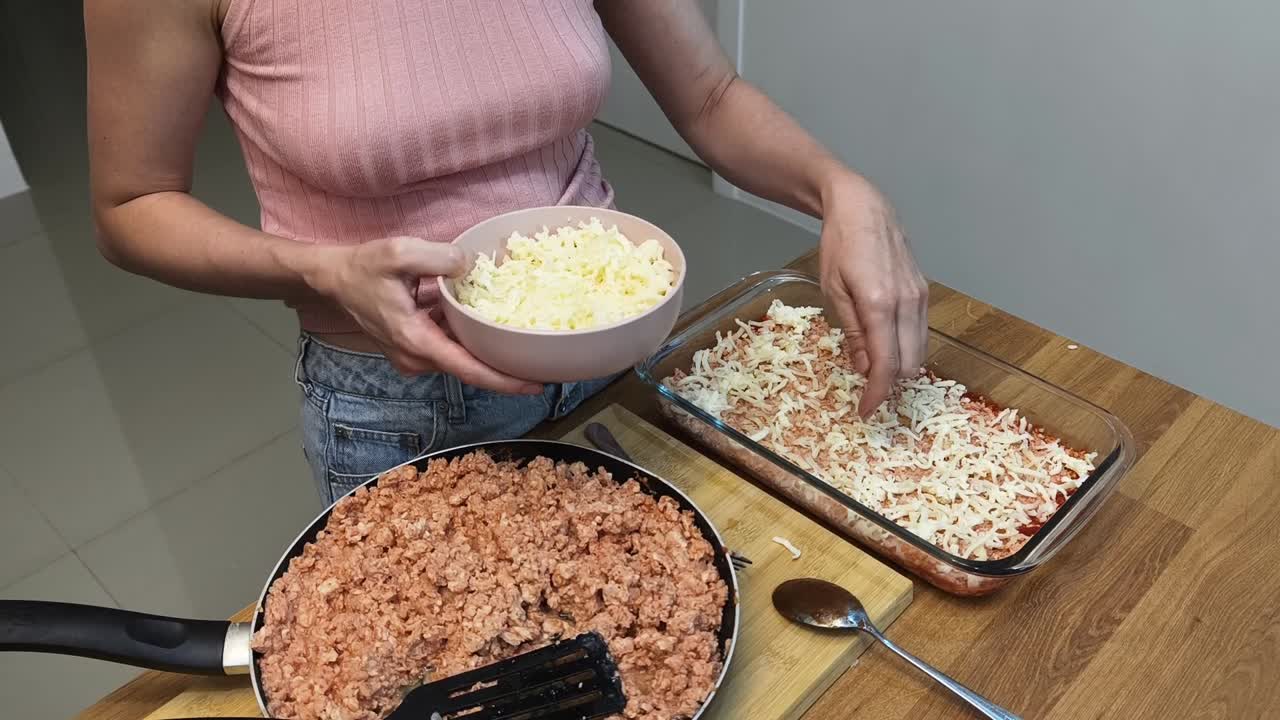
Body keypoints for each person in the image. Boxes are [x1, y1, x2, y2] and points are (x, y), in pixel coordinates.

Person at [85, 0, 928, 503]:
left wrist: (840, 188)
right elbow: (130, 205)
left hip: (613, 355)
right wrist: (322, 269)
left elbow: (709, 95)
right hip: (398, 405)